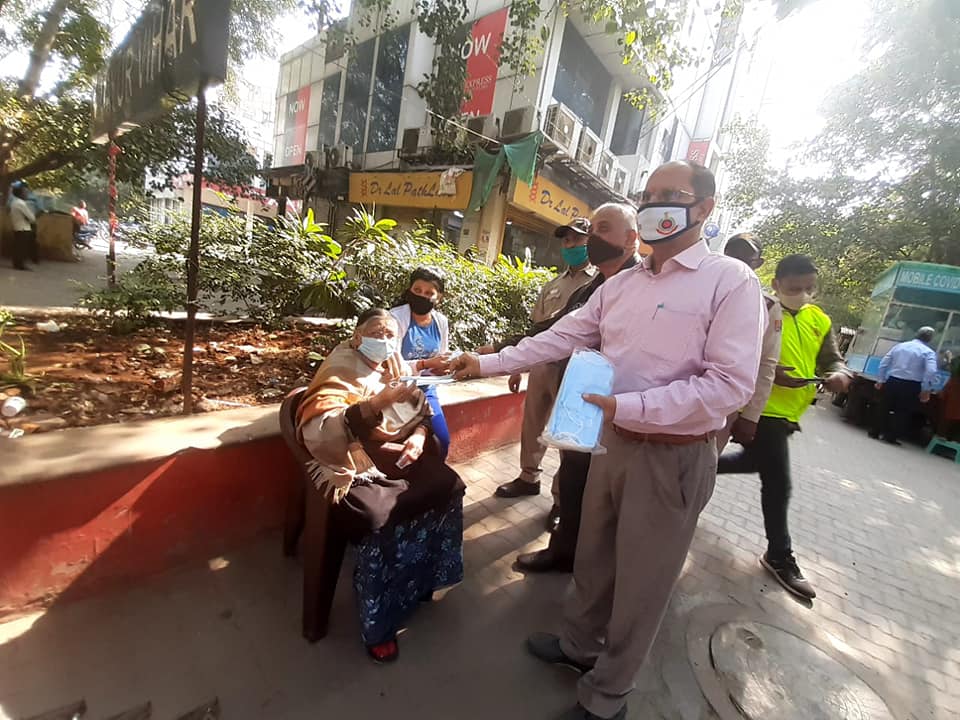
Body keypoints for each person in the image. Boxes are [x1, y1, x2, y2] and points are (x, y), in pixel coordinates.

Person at [452, 161, 764, 720]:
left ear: (704, 207)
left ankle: (607, 697)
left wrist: (632, 406)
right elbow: (561, 336)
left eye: (671, 194)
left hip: (673, 456)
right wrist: (484, 363)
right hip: (612, 442)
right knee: (593, 556)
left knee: (642, 582)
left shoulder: (730, 281)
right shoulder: (622, 285)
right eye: (649, 194)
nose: (656, 203)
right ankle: (578, 646)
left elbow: (728, 385)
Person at [296, 308, 465, 663]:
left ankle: (427, 577)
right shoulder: (342, 366)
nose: (386, 340)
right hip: (353, 459)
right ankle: (380, 621)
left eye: (391, 334)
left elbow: (420, 411)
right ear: (357, 336)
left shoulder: (395, 365)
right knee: (381, 515)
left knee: (447, 484)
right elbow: (321, 426)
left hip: (395, 450)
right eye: (377, 332)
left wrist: (419, 436)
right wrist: (377, 403)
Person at [508, 207, 640, 573]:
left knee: (599, 485)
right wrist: (499, 352)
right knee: (574, 473)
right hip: (579, 392)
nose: (593, 238)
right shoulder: (591, 288)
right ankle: (566, 550)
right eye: (592, 230)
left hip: (618, 402)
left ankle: (586, 559)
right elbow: (552, 330)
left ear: (632, 238)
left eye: (603, 229)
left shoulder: (640, 286)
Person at [718, 254, 851, 601]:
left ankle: (695, 467)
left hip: (789, 414)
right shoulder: (759, 308)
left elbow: (832, 360)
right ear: (776, 284)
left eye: (809, 288)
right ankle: (780, 555)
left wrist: (839, 374)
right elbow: (733, 352)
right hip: (758, 408)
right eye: (794, 288)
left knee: (753, 463)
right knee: (778, 483)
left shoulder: (819, 319)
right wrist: (768, 372)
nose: (803, 294)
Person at [489, 217, 597, 527]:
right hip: (542, 365)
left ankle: (561, 500)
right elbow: (536, 329)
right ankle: (528, 477)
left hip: (573, 370)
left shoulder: (598, 284)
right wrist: (517, 367)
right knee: (533, 424)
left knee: (565, 435)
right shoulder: (553, 284)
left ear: (590, 242)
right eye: (566, 240)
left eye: (577, 239)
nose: (570, 245)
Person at [716, 233, 782, 451]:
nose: (737, 262)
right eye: (732, 255)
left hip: (723, 406)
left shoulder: (767, 306)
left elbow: (766, 362)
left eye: (745, 258)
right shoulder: (701, 290)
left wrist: (751, 416)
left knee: (703, 465)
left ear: (758, 263)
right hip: (681, 393)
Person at [390, 267, 453, 459]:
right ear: (409, 290)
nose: (422, 296)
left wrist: (445, 366)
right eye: (417, 290)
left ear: (439, 297)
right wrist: (424, 364)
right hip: (396, 389)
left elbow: (441, 356)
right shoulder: (395, 318)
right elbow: (392, 365)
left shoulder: (441, 322)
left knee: (441, 441)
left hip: (426, 389)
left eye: (429, 293)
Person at [870, 327, 939, 445]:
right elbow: (931, 371)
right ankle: (890, 437)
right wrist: (926, 389)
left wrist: (880, 380)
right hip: (911, 385)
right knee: (902, 411)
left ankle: (874, 431)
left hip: (893, 381)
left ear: (917, 334)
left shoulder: (900, 346)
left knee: (884, 406)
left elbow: (884, 363)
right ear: (930, 339)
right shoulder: (928, 352)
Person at [9, 184, 36, 271]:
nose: (27, 194)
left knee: (18, 247)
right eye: (25, 192)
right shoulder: (21, 203)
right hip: (23, 228)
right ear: (20, 194)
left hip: (17, 227)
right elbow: (32, 218)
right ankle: (20, 264)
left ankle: (17, 263)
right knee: (22, 248)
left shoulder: (14, 202)